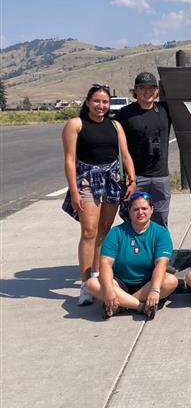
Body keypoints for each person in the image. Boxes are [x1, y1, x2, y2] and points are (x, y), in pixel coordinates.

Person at [62, 84, 136, 306]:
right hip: (87, 179)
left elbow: (125, 155)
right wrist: (74, 192)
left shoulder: (115, 126)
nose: (101, 106)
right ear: (87, 102)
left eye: (105, 102)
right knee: (89, 231)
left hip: (112, 179)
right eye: (96, 101)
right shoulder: (76, 124)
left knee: (104, 230)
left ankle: (96, 276)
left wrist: (132, 180)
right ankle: (85, 285)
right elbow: (69, 160)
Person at [86, 192, 178, 319]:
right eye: (136, 209)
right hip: (121, 282)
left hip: (148, 282)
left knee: (171, 281)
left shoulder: (161, 233)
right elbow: (105, 263)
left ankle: (120, 304)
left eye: (144, 208)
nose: (140, 212)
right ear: (129, 212)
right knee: (92, 283)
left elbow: (161, 264)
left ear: (151, 210)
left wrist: (155, 289)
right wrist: (108, 289)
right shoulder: (116, 232)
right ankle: (140, 306)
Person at [115, 72, 172, 227]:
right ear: (135, 91)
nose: (147, 92)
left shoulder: (166, 110)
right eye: (143, 88)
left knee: (160, 220)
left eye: (151, 88)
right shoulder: (124, 114)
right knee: (133, 219)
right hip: (136, 178)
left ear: (157, 91)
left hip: (161, 177)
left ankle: (158, 251)